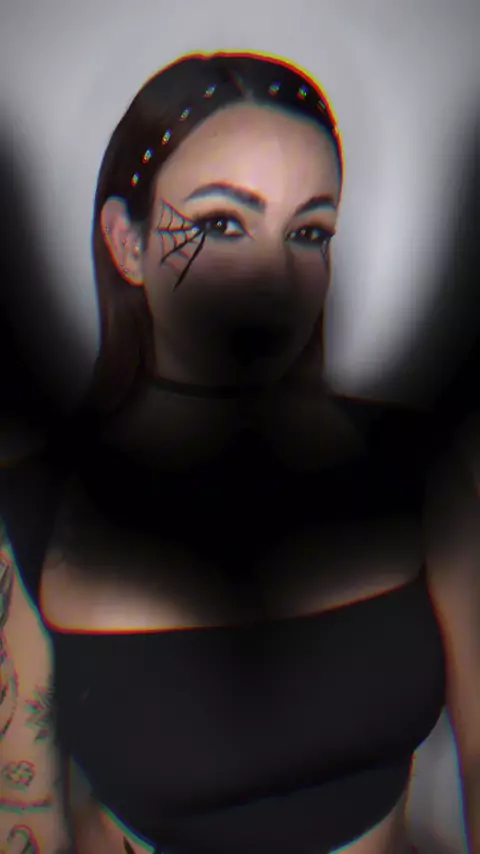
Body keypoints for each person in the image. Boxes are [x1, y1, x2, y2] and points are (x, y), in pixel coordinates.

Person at [1, 51, 479, 854]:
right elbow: (23, 814)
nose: (273, 279)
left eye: (308, 232)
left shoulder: (417, 465)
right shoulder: (35, 508)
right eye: (223, 223)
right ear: (127, 243)